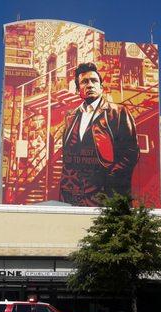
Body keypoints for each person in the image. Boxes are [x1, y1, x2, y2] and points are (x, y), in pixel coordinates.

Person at [59, 62, 139, 206]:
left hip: (105, 195)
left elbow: (131, 153)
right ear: (78, 90)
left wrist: (109, 179)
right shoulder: (70, 116)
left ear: (101, 87)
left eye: (94, 81)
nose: (90, 85)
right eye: (84, 82)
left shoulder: (118, 112)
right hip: (73, 195)